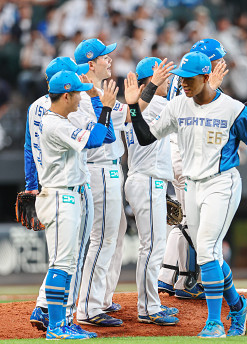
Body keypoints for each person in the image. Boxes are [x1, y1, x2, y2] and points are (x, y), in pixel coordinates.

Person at [124, 51, 247, 338]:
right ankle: (238, 306)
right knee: (210, 252)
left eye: (190, 79)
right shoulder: (178, 105)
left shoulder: (231, 109)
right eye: (182, 79)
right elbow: (144, 137)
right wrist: (132, 107)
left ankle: (214, 322)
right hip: (191, 185)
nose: (184, 84)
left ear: (206, 78)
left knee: (205, 249)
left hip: (222, 183)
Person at [158, 38, 247, 300]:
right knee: (190, 223)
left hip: (185, 152)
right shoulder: (193, 84)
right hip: (187, 153)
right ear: (206, 62)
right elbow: (224, 115)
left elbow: (231, 116)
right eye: (216, 59)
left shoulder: (193, 80)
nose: (221, 63)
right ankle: (181, 279)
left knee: (191, 224)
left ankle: (171, 275)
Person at [27, 57, 112, 338]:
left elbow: (98, 136)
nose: (80, 97)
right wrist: (105, 106)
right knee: (62, 263)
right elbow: (98, 138)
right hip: (61, 196)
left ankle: (61, 320)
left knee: (67, 262)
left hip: (65, 194)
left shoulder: (56, 118)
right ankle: (56, 326)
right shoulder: (56, 124)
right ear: (66, 95)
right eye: (77, 93)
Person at [70, 38, 129, 327]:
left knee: (115, 234)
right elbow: (97, 138)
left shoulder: (102, 93)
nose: (110, 59)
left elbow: (124, 113)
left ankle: (102, 297)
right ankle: (89, 308)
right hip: (98, 170)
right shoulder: (81, 97)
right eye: (105, 56)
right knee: (102, 239)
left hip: (111, 169)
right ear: (91, 63)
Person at [124, 56, 179, 325]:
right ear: (151, 80)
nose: (168, 82)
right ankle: (148, 308)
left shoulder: (141, 104)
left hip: (147, 179)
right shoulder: (157, 103)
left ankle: (149, 304)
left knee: (153, 246)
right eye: (164, 77)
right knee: (152, 247)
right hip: (147, 180)